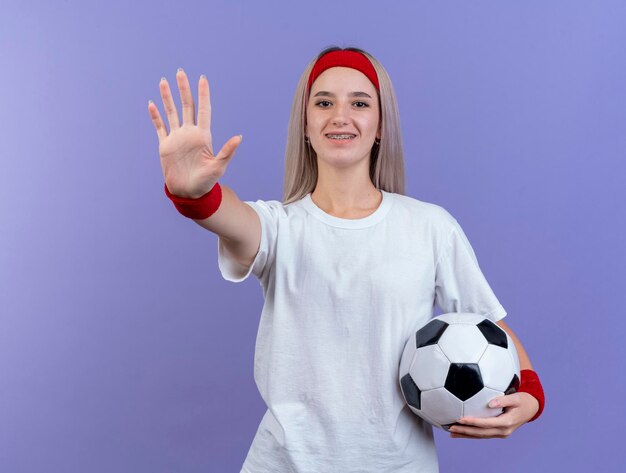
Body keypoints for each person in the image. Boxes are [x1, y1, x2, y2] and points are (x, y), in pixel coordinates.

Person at [148, 46, 545, 473]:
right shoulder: (280, 227)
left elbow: (488, 328)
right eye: (323, 102)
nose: (340, 115)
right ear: (305, 125)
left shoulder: (430, 227)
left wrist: (532, 398)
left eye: (359, 102)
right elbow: (232, 219)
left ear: (380, 126)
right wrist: (192, 193)